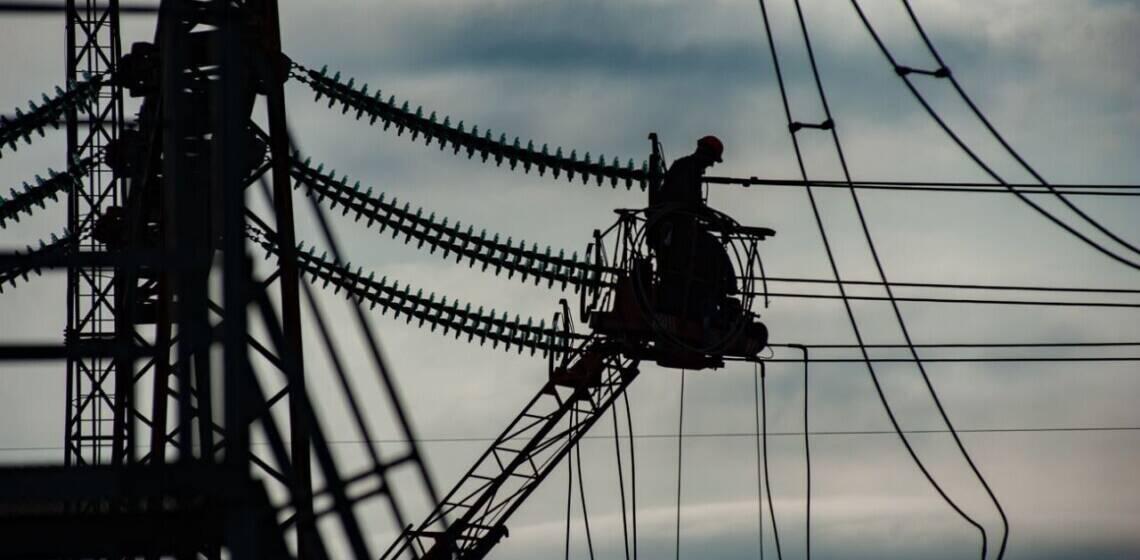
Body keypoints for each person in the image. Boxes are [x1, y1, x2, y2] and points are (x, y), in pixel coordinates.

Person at [647, 136, 736, 321]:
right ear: (705, 154)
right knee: (703, 250)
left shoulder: (690, 169)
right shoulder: (686, 168)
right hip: (671, 230)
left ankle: (712, 291)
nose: (711, 165)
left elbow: (694, 207)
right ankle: (702, 293)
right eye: (712, 160)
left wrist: (716, 220)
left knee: (708, 248)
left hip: (678, 228)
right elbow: (689, 204)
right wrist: (717, 220)